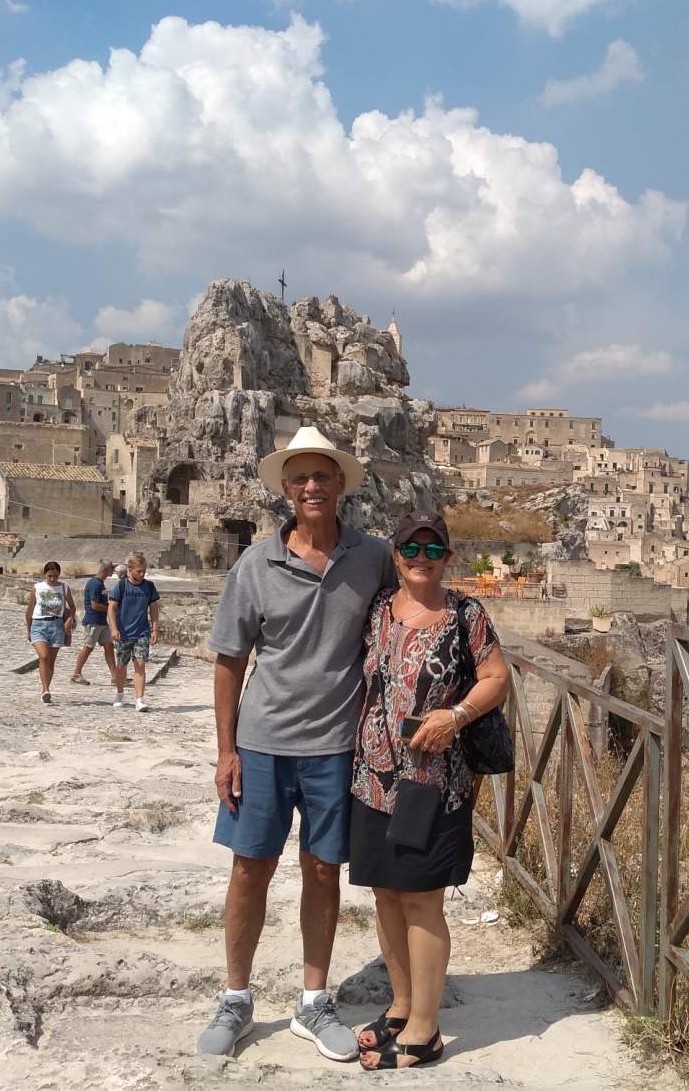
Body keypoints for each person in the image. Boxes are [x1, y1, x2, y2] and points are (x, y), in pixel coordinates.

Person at [196, 426, 395, 1063]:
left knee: (322, 869)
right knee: (249, 868)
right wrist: (226, 751)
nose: (313, 487)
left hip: (337, 746)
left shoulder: (373, 558)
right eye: (301, 478)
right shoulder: (256, 565)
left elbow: (407, 617)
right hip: (262, 743)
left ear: (340, 486)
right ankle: (235, 998)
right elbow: (229, 661)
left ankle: (314, 1000)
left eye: (323, 476)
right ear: (286, 489)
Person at [349, 510, 509, 1071]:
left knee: (421, 899)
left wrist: (456, 715)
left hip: (433, 783)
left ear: (447, 557)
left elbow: (497, 678)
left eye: (433, 550)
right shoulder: (379, 608)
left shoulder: (466, 614)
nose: (422, 559)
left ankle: (424, 1030)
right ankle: (401, 1005)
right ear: (396, 556)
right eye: (412, 549)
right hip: (372, 779)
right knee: (385, 894)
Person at [108, 552, 160, 712]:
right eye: (139, 571)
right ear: (130, 570)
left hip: (142, 632)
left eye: (144, 571)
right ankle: (120, 694)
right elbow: (112, 607)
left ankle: (139, 699)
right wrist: (114, 628)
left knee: (140, 663)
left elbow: (154, 608)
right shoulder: (121, 586)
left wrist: (155, 629)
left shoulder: (149, 587)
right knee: (121, 665)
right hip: (123, 632)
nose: (142, 574)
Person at [26, 560, 76, 704]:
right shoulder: (37, 588)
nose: (53, 579)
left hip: (57, 625)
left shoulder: (64, 588)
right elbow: (30, 609)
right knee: (43, 656)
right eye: (50, 576)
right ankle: (45, 689)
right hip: (39, 624)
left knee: (51, 660)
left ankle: (46, 689)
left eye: (55, 576)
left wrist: (69, 620)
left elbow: (72, 607)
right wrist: (28, 629)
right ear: (45, 574)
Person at [70, 560, 118, 688]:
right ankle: (76, 673)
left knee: (109, 646)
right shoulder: (94, 584)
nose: (113, 570)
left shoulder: (100, 584)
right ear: (106, 569)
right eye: (111, 568)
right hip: (93, 621)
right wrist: (110, 609)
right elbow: (94, 605)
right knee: (88, 647)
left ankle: (115, 676)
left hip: (101, 621)